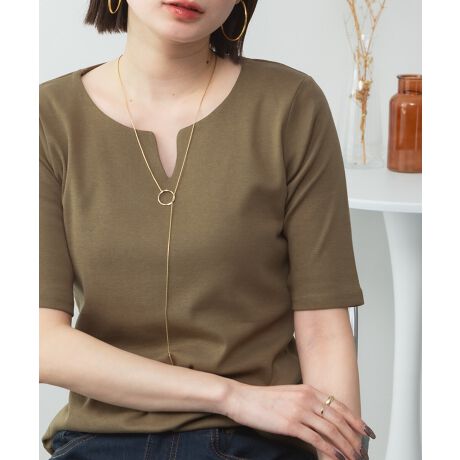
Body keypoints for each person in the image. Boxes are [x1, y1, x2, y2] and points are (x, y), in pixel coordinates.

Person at [39, 1, 375, 459]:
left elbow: (323, 329)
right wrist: (231, 396)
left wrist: (340, 451)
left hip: (259, 441)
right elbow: (41, 342)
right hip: (102, 438)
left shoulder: (290, 105)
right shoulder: (47, 118)